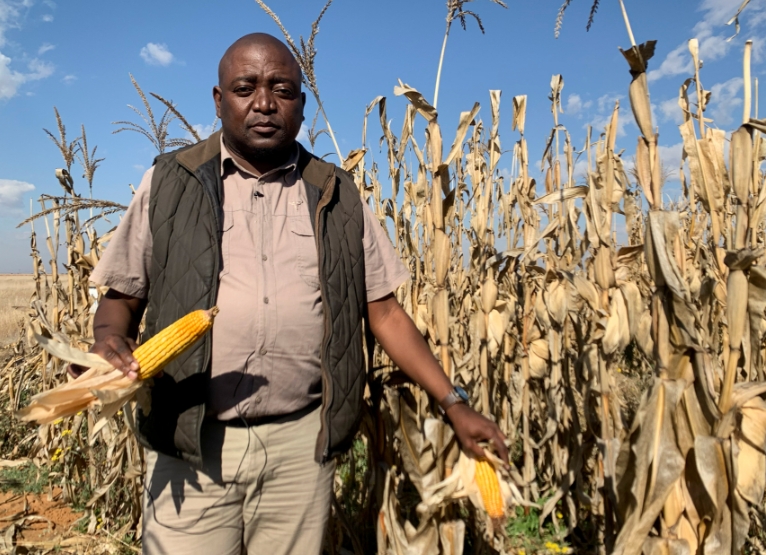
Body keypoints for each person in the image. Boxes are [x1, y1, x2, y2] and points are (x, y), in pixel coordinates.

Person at [79, 32, 508, 554]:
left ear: (301, 105)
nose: (264, 102)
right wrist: (107, 339)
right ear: (219, 101)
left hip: (299, 448)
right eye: (246, 88)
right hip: (191, 442)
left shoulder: (337, 194)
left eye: (282, 89)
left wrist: (454, 402)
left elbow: (385, 312)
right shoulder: (172, 182)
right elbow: (121, 296)